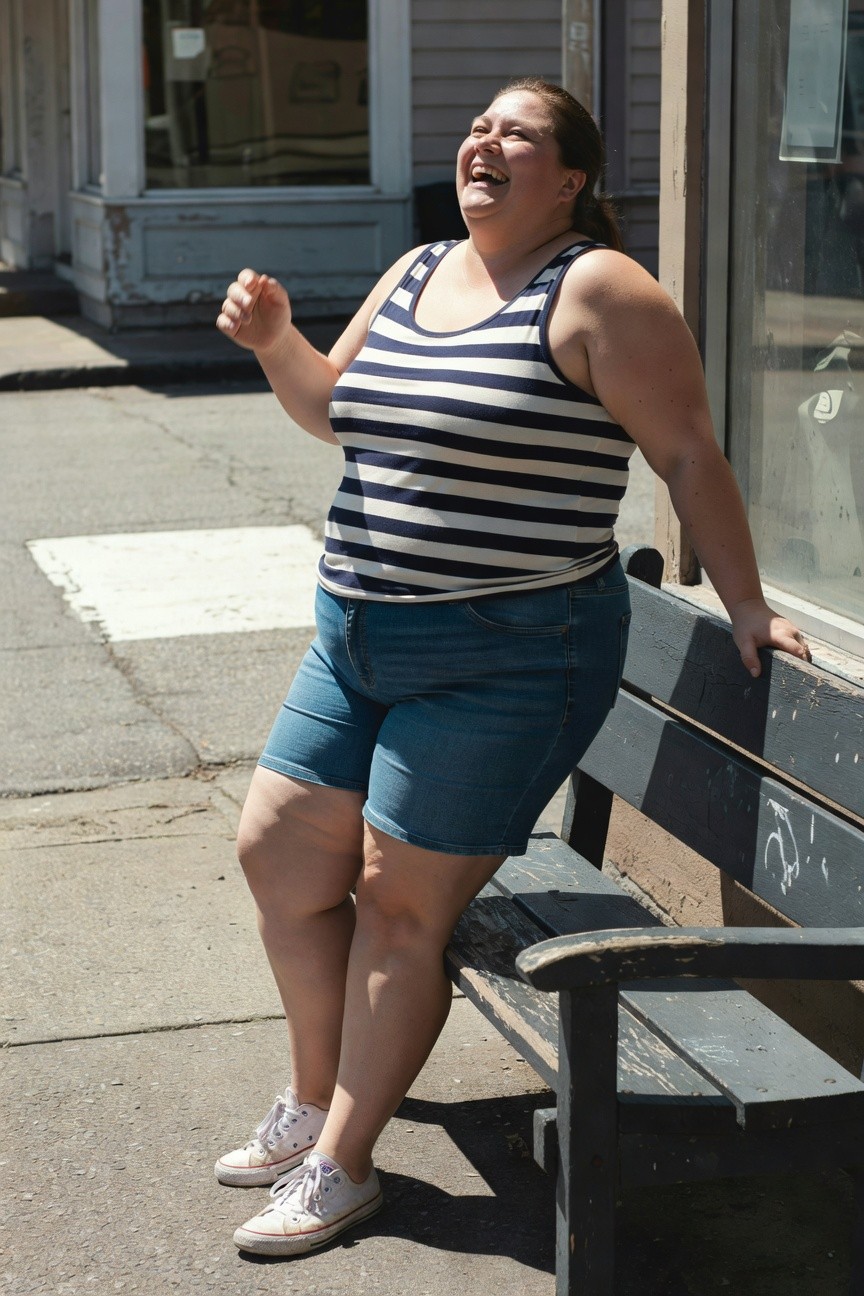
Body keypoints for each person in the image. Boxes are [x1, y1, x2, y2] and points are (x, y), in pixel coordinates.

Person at [213, 76, 811, 1258]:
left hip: (512, 650)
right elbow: (341, 411)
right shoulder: (422, 267)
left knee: (398, 904)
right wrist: (279, 343)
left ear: (572, 178)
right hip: (358, 631)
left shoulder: (598, 290)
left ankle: (344, 1162)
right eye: (477, 125)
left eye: (518, 135)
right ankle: (310, 1094)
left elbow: (688, 453)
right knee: (280, 858)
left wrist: (743, 602)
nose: (484, 142)